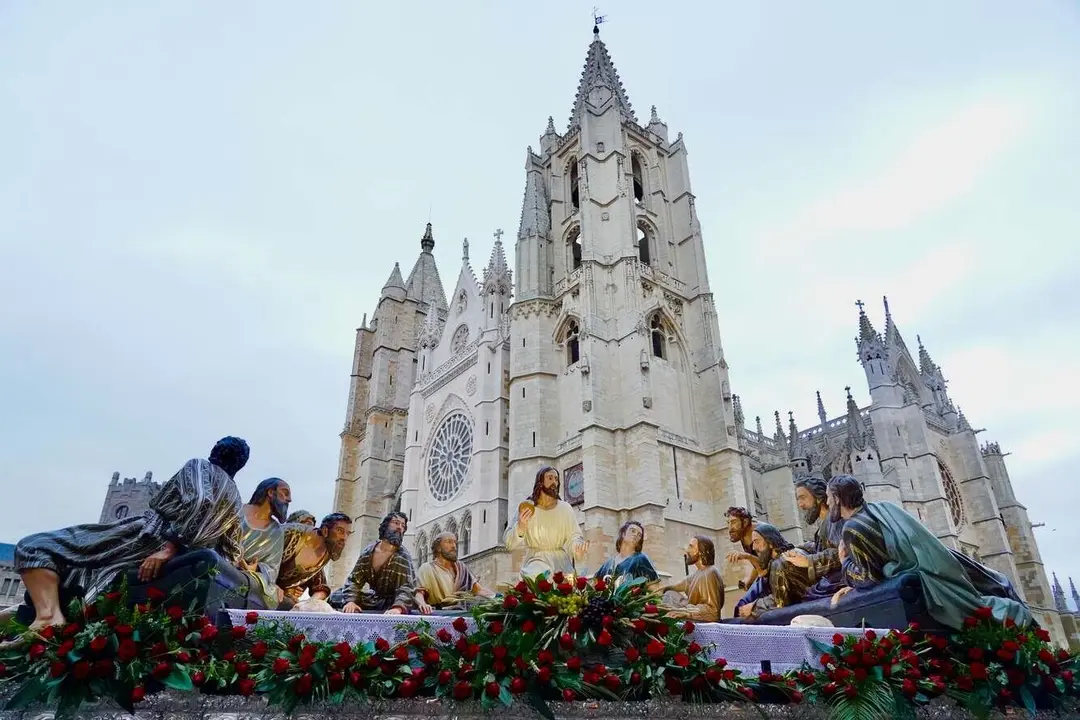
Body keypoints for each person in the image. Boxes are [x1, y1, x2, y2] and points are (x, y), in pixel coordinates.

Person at [9, 437, 250, 634]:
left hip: (148, 536)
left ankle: (48, 618)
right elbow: (231, 551)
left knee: (33, 547)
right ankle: (50, 613)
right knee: (76, 572)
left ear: (215, 451)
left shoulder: (200, 466)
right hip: (173, 550)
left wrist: (170, 547)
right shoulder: (235, 498)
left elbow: (200, 500)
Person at [826, 474, 1032, 630]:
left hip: (922, 578)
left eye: (828, 498)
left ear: (836, 498)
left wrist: (844, 561)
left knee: (981, 607)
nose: (826, 503)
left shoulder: (853, 527)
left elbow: (870, 577)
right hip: (942, 562)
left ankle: (1008, 611)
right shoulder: (881, 508)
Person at [504, 466, 587, 578]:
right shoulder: (527, 507)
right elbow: (509, 543)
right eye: (550, 478)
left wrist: (577, 547)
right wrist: (521, 527)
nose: (554, 482)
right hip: (535, 560)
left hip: (561, 562)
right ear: (540, 482)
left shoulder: (565, 508)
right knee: (538, 577)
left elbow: (574, 536)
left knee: (567, 587)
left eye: (556, 479)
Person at [777, 475, 844, 601]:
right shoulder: (824, 524)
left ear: (818, 498)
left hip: (836, 583)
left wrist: (809, 561)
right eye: (798, 499)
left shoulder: (833, 519)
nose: (800, 505)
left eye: (803, 498)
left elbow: (839, 553)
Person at [340, 511, 416, 614]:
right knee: (337, 596)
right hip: (374, 599)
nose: (400, 527)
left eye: (403, 525)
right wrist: (350, 601)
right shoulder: (368, 552)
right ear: (386, 525)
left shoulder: (403, 556)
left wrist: (398, 607)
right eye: (396, 523)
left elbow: (407, 587)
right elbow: (354, 581)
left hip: (394, 601)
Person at [276, 512, 352, 609]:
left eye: (348, 533)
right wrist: (272, 585)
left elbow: (321, 587)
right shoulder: (289, 534)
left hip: (286, 600)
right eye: (340, 530)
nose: (344, 538)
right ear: (325, 531)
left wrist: (310, 603)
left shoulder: (325, 551)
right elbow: (260, 558)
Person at [239, 478, 290, 608]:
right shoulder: (237, 512)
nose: (289, 499)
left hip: (253, 578)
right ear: (271, 492)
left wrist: (255, 568)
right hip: (226, 566)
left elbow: (272, 568)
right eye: (285, 493)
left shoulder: (276, 531)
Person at [415, 532, 495, 612]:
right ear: (438, 547)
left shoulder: (461, 567)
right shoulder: (427, 568)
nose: (454, 546)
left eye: (455, 543)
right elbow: (419, 593)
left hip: (462, 613)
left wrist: (497, 597)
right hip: (438, 613)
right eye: (449, 542)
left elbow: (478, 590)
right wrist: (422, 604)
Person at [733, 523, 796, 618]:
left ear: (770, 542)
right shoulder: (775, 561)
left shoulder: (779, 563)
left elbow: (781, 601)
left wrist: (753, 607)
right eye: (753, 543)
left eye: (757, 542)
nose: (753, 548)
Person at [659, 536, 725, 622]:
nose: (687, 550)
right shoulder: (697, 574)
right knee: (669, 594)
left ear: (701, 551)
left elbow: (713, 611)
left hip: (703, 622)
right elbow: (680, 585)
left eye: (691, 546)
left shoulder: (710, 573)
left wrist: (687, 612)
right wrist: (663, 589)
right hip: (692, 613)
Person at [594, 520, 659, 584]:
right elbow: (595, 585)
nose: (636, 535)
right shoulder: (608, 563)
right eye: (633, 531)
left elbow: (654, 587)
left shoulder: (640, 559)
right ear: (623, 534)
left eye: (639, 535)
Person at [723, 507, 763, 589]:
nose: (730, 528)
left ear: (745, 522)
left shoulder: (760, 532)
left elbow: (766, 564)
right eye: (728, 523)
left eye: (733, 522)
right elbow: (758, 564)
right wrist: (750, 581)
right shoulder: (743, 536)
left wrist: (746, 556)